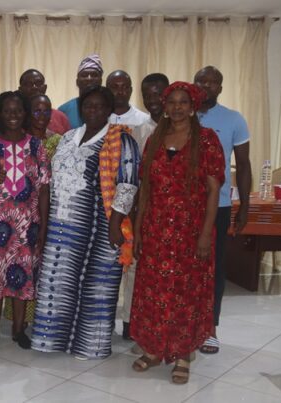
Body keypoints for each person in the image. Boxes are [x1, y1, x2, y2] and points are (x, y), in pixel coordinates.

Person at [30, 86, 140, 360]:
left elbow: (127, 186)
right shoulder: (68, 137)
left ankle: (90, 346)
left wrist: (115, 224)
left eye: (100, 106)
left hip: (100, 228)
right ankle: (51, 341)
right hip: (61, 226)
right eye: (88, 105)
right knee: (58, 283)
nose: (93, 111)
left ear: (109, 110)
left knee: (95, 286)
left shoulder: (122, 141)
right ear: (81, 108)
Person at [130, 81, 225, 384]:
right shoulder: (155, 139)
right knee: (154, 290)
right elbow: (146, 189)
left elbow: (213, 190)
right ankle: (154, 350)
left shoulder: (206, 140)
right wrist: (139, 229)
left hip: (190, 232)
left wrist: (205, 234)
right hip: (156, 230)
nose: (177, 107)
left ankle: (183, 355)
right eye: (172, 102)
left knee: (186, 293)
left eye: (183, 102)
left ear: (193, 107)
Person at [0, 91, 50, 349]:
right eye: (7, 111)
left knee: (23, 274)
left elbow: (44, 189)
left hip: (27, 226)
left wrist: (44, 227)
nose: (13, 115)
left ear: (24, 114)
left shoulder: (37, 146)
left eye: (17, 111)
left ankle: (18, 329)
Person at [194, 66, 252, 355]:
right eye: (201, 81)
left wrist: (245, 206)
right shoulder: (181, 114)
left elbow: (243, 165)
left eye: (213, 82)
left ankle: (210, 329)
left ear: (220, 87)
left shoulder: (233, 119)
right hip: (182, 206)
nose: (206, 86)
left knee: (213, 269)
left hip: (218, 206)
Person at [2, 93, 61, 326]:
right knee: (19, 265)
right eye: (37, 110)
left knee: (44, 266)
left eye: (47, 111)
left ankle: (42, 316)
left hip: (52, 211)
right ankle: (19, 319)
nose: (42, 116)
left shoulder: (60, 141)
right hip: (20, 214)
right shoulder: (19, 140)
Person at [121, 72, 169, 341]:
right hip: (142, 212)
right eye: (147, 95)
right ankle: (130, 322)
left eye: (158, 95)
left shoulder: (182, 130)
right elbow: (131, 176)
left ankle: (160, 322)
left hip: (172, 213)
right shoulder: (138, 131)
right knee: (135, 267)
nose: (153, 100)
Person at [18, 69, 70, 135]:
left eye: (38, 83)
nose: (34, 87)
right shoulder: (14, 117)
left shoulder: (60, 117)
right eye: (28, 84)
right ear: (20, 89)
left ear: (45, 88)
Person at [58, 54, 104, 129]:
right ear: (77, 82)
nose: (89, 78)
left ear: (101, 81)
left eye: (94, 75)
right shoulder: (64, 110)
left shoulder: (108, 109)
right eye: (84, 75)